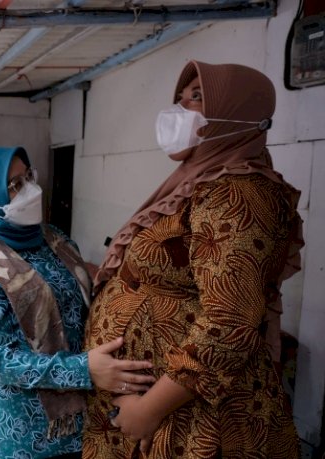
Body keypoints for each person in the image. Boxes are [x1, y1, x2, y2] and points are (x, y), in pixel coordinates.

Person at [81, 61, 303, 458]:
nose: (179, 112)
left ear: (238, 113)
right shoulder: (196, 182)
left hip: (191, 415)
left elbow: (229, 323)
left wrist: (149, 409)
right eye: (180, 99)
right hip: (155, 404)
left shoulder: (239, 194)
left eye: (197, 99)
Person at [0, 146, 155, 459]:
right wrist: (84, 370)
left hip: (83, 415)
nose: (30, 190)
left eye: (27, 177)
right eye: (14, 185)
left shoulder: (50, 237)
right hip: (22, 434)